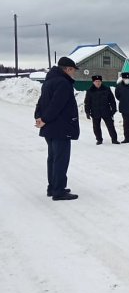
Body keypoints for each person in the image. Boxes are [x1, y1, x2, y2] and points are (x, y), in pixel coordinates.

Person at [34, 57, 80, 201]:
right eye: (73, 70)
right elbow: (56, 105)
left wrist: (39, 117)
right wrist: (45, 119)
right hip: (61, 127)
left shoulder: (49, 81)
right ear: (67, 69)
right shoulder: (63, 83)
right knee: (61, 159)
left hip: (50, 128)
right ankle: (58, 191)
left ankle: (53, 187)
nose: (74, 74)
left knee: (53, 158)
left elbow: (41, 102)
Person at [84, 75, 120, 145]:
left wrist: (113, 109)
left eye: (99, 81)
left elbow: (112, 100)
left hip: (106, 111)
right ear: (93, 82)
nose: (98, 83)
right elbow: (87, 102)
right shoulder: (90, 91)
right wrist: (87, 112)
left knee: (110, 126)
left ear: (101, 82)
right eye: (96, 81)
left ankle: (114, 139)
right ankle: (99, 139)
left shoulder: (106, 89)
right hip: (95, 112)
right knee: (96, 127)